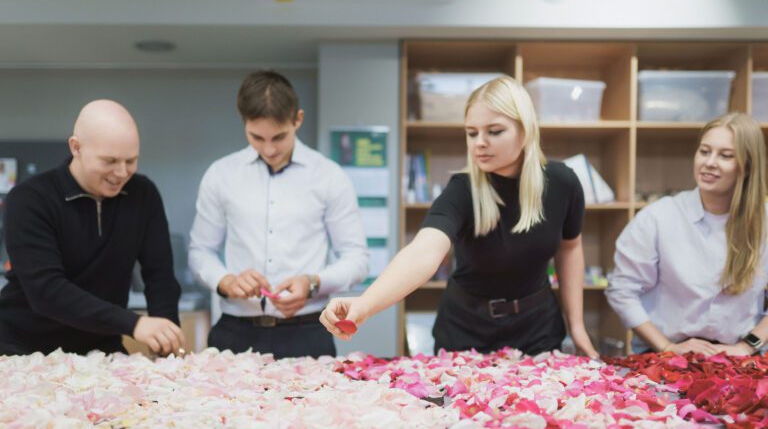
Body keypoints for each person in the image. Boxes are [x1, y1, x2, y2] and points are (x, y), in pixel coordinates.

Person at [320, 76, 599, 358]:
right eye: (472, 132)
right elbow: (423, 252)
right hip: (467, 331)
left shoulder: (563, 183)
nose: (480, 143)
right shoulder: (462, 190)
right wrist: (366, 304)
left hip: (537, 328)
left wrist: (577, 326)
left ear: (525, 131)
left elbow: (570, 248)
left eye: (494, 131)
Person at [188, 70, 368, 358]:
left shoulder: (329, 176)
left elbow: (357, 261)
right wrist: (226, 281)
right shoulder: (220, 175)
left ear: (297, 119)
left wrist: (313, 283)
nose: (269, 149)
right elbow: (200, 253)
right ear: (244, 122)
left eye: (279, 137)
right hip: (234, 333)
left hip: (309, 334)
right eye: (256, 137)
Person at [0, 100, 185, 356]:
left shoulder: (143, 194)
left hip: (101, 346)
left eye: (131, 161)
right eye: (109, 161)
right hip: (23, 346)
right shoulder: (29, 199)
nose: (121, 173)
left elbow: (160, 275)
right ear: (76, 147)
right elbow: (47, 291)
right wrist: (135, 324)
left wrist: (166, 338)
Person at [606, 112, 768, 356]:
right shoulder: (658, 218)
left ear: (746, 167)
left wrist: (745, 348)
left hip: (740, 357)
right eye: (704, 151)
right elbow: (622, 290)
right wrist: (668, 347)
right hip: (665, 355)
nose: (710, 162)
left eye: (725, 156)